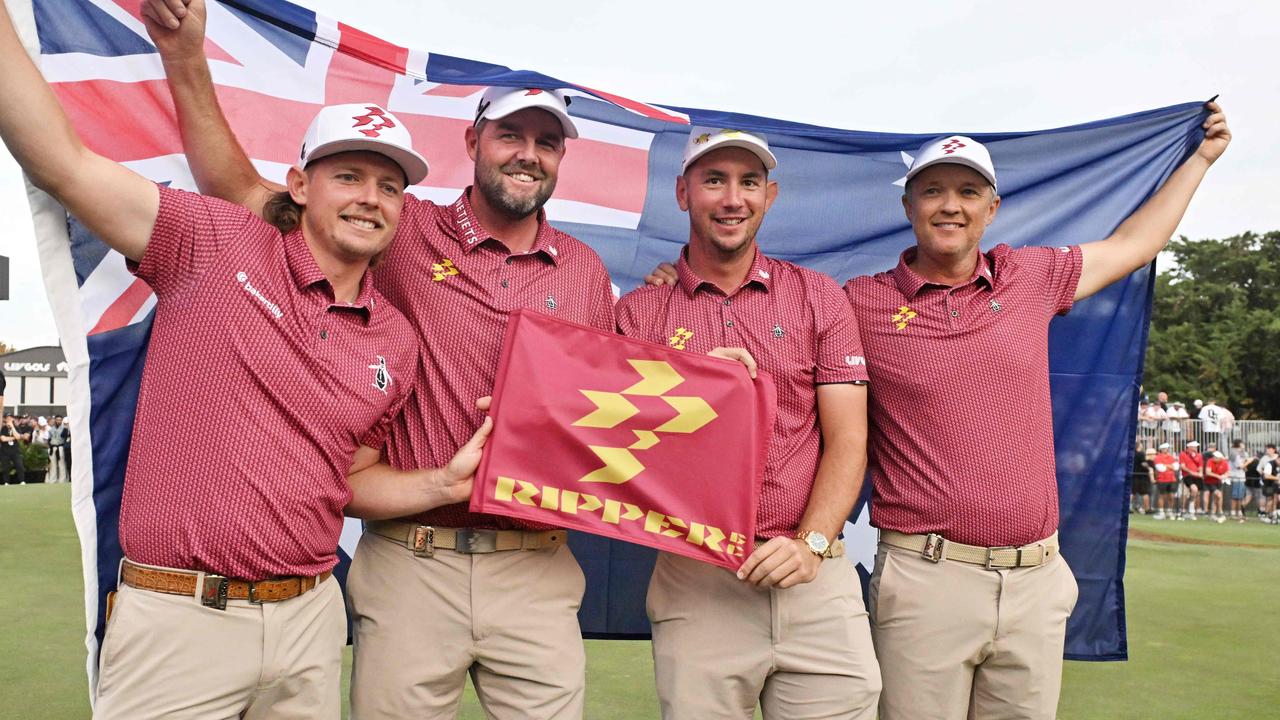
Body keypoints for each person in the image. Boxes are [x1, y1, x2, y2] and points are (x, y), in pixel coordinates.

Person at [646, 103, 1231, 718]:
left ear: (992, 208)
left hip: (1036, 575)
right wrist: (677, 298)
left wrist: (1200, 159)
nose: (950, 206)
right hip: (925, 573)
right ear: (909, 207)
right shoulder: (859, 303)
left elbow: (1134, 244)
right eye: (932, 191)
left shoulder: (1030, 277)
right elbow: (787, 367)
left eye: (968, 191)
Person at [0, 3, 493, 716]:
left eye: (390, 186)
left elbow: (352, 480)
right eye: (348, 175)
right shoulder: (213, 241)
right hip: (179, 618)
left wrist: (439, 482)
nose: (371, 198)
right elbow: (63, 164)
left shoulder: (396, 339)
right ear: (299, 185)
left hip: (310, 623)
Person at [143, 1, 617, 715]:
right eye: (511, 134)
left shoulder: (586, 270)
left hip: (537, 568)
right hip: (411, 559)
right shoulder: (400, 222)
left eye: (547, 142)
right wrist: (185, 59)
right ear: (474, 140)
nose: (528, 152)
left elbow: (614, 401)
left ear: (561, 158)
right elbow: (242, 193)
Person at [618, 128, 879, 718]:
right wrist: (690, 390)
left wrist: (811, 543)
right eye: (714, 180)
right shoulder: (638, 315)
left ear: (771, 195)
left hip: (814, 574)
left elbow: (848, 440)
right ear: (683, 193)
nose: (733, 198)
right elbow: (623, 456)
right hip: (699, 579)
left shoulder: (819, 298)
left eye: (749, 182)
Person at [1152, 443, 1180, 520]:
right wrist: (1170, 466)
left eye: (1167, 448)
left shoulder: (1171, 457)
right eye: (1165, 448)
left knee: (1171, 496)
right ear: (1161, 449)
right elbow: (1161, 469)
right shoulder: (1157, 458)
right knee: (1162, 496)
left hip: (1172, 479)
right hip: (1162, 479)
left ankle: (1169, 511)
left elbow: (1176, 467)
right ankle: (1161, 512)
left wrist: (1166, 466)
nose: (1167, 450)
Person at [1179, 439, 1203, 520]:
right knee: (1187, 493)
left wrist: (1200, 472)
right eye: (1195, 446)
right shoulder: (1183, 454)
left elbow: (1200, 466)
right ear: (1190, 447)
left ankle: (1191, 511)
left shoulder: (1199, 455)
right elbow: (1182, 466)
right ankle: (1183, 510)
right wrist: (1192, 472)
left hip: (1197, 477)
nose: (1196, 448)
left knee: (1196, 493)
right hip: (1187, 476)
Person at [1203, 448, 1228, 523]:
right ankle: (1219, 511)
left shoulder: (1224, 462)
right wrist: (1218, 476)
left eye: (1216, 457)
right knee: (1218, 495)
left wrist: (1225, 476)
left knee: (1217, 497)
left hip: (1218, 482)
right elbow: (1208, 472)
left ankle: (1215, 512)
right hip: (1209, 481)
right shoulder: (1210, 461)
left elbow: (1227, 472)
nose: (1214, 458)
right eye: (1214, 456)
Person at [1228, 439, 1249, 522]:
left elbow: (1243, 466)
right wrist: (1249, 462)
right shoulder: (1234, 453)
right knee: (1235, 496)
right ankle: (1233, 513)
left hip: (1241, 476)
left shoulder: (1242, 453)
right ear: (1239, 444)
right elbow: (1239, 466)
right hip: (1236, 477)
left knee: (1240, 496)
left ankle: (1239, 512)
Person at [0, 414, 24, 485]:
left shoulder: (16, 427)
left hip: (15, 451)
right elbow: (3, 439)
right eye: (7, 418)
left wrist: (12, 427)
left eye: (10, 418)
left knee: (19, 466)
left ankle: (22, 481)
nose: (9, 419)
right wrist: (14, 438)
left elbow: (18, 436)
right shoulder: (3, 428)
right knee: (5, 468)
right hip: (5, 452)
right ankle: (6, 482)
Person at [1131, 441, 1153, 515]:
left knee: (1132, 493)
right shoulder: (1141, 454)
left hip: (1133, 475)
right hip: (1142, 476)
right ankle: (1147, 509)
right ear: (1139, 446)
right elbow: (1143, 463)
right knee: (1145, 493)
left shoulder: (1131, 453)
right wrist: (1149, 467)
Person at [47, 415, 69, 484]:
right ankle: (53, 480)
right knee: (53, 465)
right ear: (55, 420)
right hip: (53, 447)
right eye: (57, 420)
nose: (58, 421)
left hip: (60, 447)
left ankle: (62, 480)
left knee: (61, 464)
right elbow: (49, 438)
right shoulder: (51, 429)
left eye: (60, 420)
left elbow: (64, 437)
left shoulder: (64, 428)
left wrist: (66, 427)